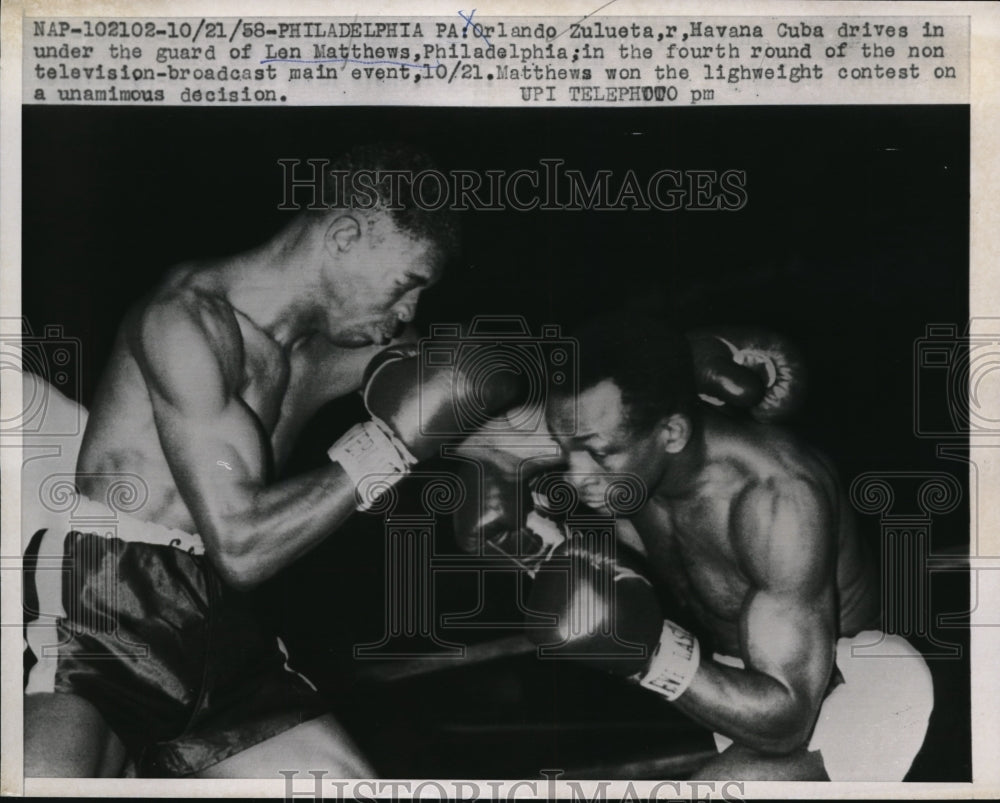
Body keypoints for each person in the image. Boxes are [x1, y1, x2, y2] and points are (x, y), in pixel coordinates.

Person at [22, 145, 481, 778]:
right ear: (344, 237)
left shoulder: (321, 349)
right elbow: (243, 546)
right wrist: (391, 447)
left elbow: (469, 381)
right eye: (407, 286)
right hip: (111, 594)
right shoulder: (186, 321)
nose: (408, 312)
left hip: (221, 626)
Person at [456, 311, 934, 781]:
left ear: (673, 433)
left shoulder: (774, 496)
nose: (576, 477)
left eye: (597, 454)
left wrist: (647, 654)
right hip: (740, 685)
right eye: (565, 449)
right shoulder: (610, 426)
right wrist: (540, 549)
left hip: (847, 685)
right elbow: (482, 450)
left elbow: (788, 721)